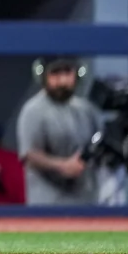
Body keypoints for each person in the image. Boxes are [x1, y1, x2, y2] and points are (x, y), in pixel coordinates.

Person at [17, 57, 103, 205]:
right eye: (55, 73)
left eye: (67, 73)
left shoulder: (85, 109)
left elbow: (98, 141)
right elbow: (30, 155)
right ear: (43, 76)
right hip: (49, 203)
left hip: (84, 200)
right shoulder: (33, 110)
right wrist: (62, 166)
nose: (62, 81)